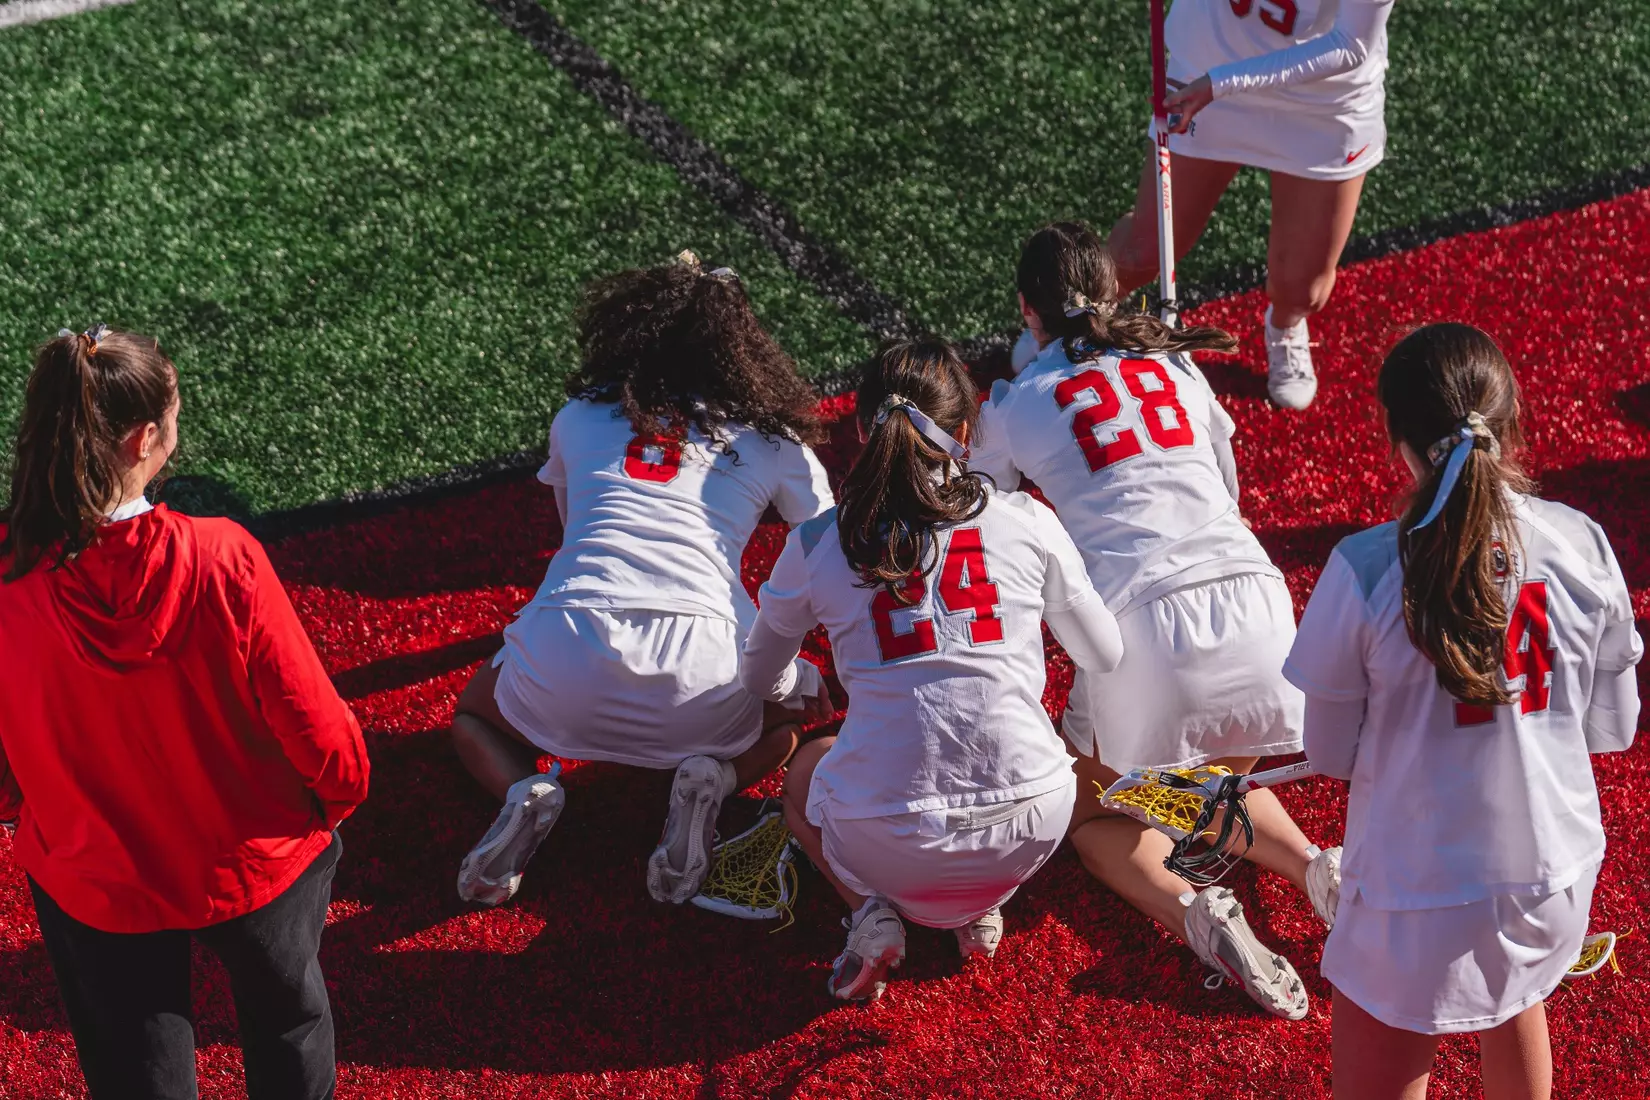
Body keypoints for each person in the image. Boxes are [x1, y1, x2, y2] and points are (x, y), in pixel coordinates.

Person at [973, 223, 1340, 1019]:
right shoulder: (1175, 363)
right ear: (1114, 292)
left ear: (1027, 310)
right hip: (1260, 610)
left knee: (1092, 817)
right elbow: (1227, 489)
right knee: (1191, 780)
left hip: (1143, 633)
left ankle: (1194, 913)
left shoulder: (1013, 403)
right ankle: (1316, 867)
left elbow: (983, 527)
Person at [0, 325, 369, 1099]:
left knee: (133, 1068)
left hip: (93, 870)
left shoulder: (9, 572)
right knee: (289, 1023)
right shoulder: (222, 556)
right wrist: (336, 798)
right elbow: (313, 724)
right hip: (253, 856)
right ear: (143, 439)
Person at [1284, 323, 1641, 1099]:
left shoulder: (1364, 567)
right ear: (1512, 422)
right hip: (1552, 875)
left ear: (1399, 445)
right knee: (1515, 996)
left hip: (1415, 889)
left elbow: (1332, 754)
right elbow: (1611, 729)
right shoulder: (1583, 542)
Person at [741, 339, 1126, 1001]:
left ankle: (870, 912)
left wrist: (799, 683)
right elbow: (1104, 655)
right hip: (1032, 820)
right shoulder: (1025, 519)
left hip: (888, 838)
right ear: (965, 435)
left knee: (805, 770)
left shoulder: (817, 541)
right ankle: (979, 906)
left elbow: (758, 679)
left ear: (864, 432)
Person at [452, 252, 835, 909]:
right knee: (787, 726)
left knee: (472, 719)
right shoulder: (773, 442)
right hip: (705, 672)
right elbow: (828, 548)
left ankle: (522, 790)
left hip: (569, 647)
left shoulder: (579, 415)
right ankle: (715, 779)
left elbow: (573, 534)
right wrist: (798, 668)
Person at [1103, 0, 1396, 409]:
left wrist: (1221, 83)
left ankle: (1285, 324)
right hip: (1209, 60)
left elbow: (1351, 44)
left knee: (1303, 288)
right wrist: (1215, 80)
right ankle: (1080, 308)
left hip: (1322, 98)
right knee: (1144, 250)